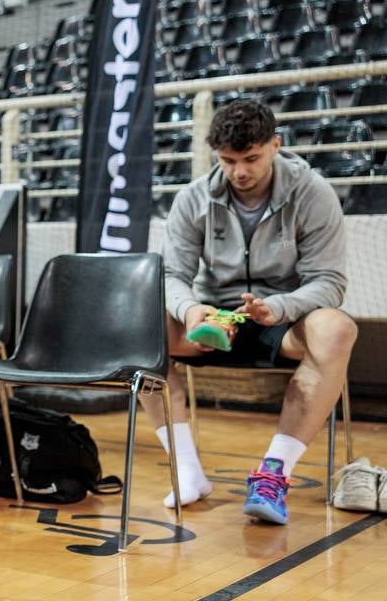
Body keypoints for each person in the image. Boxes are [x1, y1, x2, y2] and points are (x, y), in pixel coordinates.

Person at [144, 98, 356, 525]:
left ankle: (272, 475)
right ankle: (186, 470)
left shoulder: (312, 193)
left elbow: (329, 282)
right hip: (211, 318)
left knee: (336, 328)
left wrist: (278, 308)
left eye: (251, 158)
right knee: (140, 327)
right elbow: (170, 275)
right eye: (229, 161)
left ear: (275, 145)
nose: (240, 171)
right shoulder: (193, 198)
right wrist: (189, 311)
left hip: (282, 318)